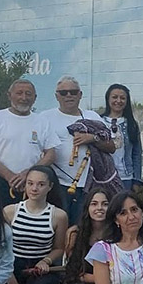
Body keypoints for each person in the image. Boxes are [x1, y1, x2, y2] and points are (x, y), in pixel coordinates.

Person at [40, 76, 116, 224]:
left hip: (89, 185)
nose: (69, 95)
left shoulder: (92, 116)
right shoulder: (44, 118)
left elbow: (111, 146)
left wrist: (92, 139)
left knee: (83, 227)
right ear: (56, 96)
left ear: (80, 95)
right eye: (63, 93)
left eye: (73, 92)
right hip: (57, 184)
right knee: (57, 226)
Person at [2, 165, 68, 284]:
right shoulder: (10, 212)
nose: (34, 188)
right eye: (30, 183)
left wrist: (46, 261)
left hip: (41, 268)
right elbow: (1, 250)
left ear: (50, 187)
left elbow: (59, 248)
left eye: (40, 184)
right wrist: (12, 282)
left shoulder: (58, 215)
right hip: (14, 267)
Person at [0, 79, 59, 207]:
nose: (24, 97)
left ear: (35, 97)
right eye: (19, 93)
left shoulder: (42, 121)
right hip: (2, 182)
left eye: (28, 94)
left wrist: (28, 174)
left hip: (33, 186)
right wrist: (9, 176)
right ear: (9, 95)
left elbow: (51, 154)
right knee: (2, 222)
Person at [62, 188, 110, 284]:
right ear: (87, 208)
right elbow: (72, 270)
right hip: (87, 283)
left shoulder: (119, 232)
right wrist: (95, 278)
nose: (99, 208)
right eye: (94, 204)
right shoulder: (76, 233)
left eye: (105, 204)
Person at [102, 84, 143, 190]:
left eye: (122, 98)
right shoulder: (99, 121)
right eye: (115, 97)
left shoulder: (132, 124)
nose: (118, 101)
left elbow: (137, 154)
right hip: (102, 177)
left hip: (125, 178)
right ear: (108, 99)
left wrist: (136, 180)